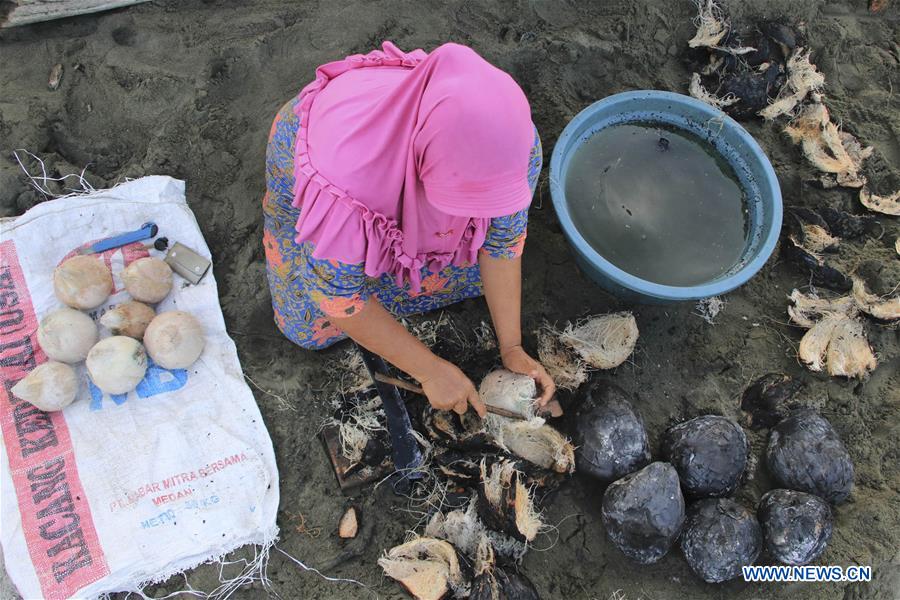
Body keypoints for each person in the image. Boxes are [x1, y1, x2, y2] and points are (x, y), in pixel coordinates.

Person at [262, 41, 556, 418]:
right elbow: (337, 296)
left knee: (476, 281)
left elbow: (502, 243)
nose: (470, 216)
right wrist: (429, 370)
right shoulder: (345, 187)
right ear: (422, 166)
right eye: (459, 202)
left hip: (402, 186)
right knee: (307, 328)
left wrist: (512, 347)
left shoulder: (516, 144)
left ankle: (400, 261)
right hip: (324, 189)